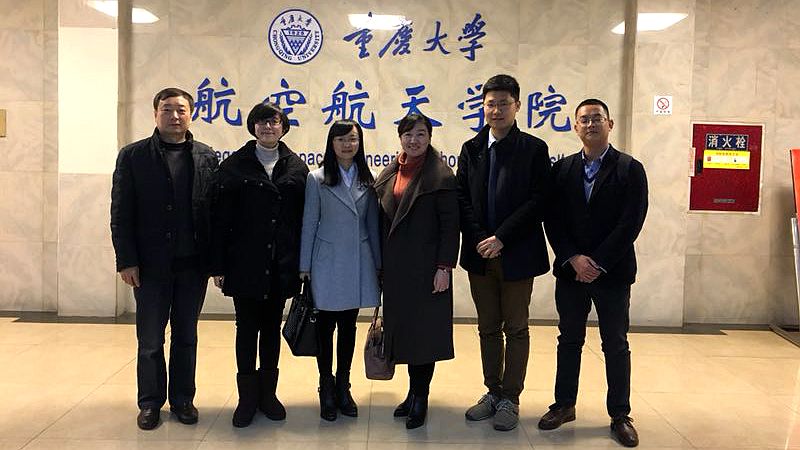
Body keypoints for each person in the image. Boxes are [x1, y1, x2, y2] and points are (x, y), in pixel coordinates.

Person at [539, 98, 648, 448]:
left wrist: (597, 261)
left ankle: (620, 414)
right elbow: (552, 219)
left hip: (612, 273)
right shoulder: (562, 170)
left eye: (597, 118)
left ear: (609, 124)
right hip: (571, 273)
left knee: (615, 343)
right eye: (584, 119)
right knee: (569, 339)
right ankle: (564, 405)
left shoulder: (630, 169)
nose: (590, 124)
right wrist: (573, 257)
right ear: (575, 127)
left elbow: (631, 221)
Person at [111, 87, 218, 430]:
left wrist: (216, 263)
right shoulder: (133, 156)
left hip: (192, 265)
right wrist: (126, 260)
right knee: (150, 340)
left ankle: (183, 399)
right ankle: (150, 403)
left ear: (191, 114)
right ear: (155, 113)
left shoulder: (206, 156)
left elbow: (213, 214)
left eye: (181, 110)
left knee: (186, 336)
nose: (174, 116)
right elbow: (121, 213)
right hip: (150, 266)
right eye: (167, 109)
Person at [456, 74, 551, 431]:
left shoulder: (534, 149)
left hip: (517, 254)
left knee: (516, 327)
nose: (496, 110)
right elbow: (462, 198)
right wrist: (482, 238)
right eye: (490, 104)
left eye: (503, 104)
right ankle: (493, 392)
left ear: (517, 106)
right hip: (480, 255)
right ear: (483, 107)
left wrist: (502, 238)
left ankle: (511, 398)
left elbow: (539, 200)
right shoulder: (471, 148)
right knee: (487, 328)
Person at [210, 102, 308, 428]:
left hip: (281, 264)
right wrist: (218, 265)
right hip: (244, 263)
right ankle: (247, 398)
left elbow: (304, 221)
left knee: (271, 330)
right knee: (246, 329)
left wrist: (302, 263)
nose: (268, 127)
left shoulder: (296, 167)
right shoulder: (234, 166)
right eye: (262, 122)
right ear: (253, 127)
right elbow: (219, 220)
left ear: (283, 127)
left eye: (274, 122)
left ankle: (268, 395)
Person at [373, 113, 459, 430]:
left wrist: (444, 267)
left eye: (421, 134)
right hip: (397, 270)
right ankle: (411, 394)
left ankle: (421, 397)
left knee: (425, 336)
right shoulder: (390, 172)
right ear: (400, 138)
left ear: (429, 137)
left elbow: (451, 227)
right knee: (405, 333)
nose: (414, 140)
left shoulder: (441, 175)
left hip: (427, 270)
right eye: (408, 134)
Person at [298, 119, 381, 421]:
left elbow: (372, 224)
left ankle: (344, 386)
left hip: (357, 261)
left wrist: (378, 264)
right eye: (341, 139)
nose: (348, 145)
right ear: (331, 143)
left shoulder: (368, 179)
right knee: (324, 327)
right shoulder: (316, 178)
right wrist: (305, 265)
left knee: (348, 327)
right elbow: (309, 222)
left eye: (353, 139)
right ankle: (326, 387)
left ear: (360, 143)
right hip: (326, 262)